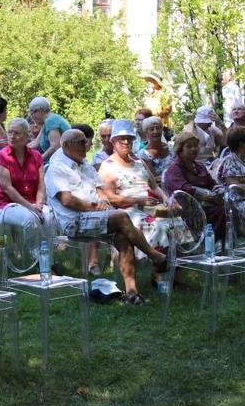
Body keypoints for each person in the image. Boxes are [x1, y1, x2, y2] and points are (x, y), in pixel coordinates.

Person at [45, 129, 169, 306]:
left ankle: (132, 294)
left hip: (97, 216)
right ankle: (155, 255)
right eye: (81, 142)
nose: (86, 146)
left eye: (86, 141)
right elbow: (67, 200)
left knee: (123, 235)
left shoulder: (85, 165)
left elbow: (101, 191)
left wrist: (103, 202)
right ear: (66, 145)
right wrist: (95, 207)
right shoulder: (57, 169)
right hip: (75, 222)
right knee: (121, 216)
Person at [98, 120, 180, 287]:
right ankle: (159, 269)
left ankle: (173, 273)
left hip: (148, 206)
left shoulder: (139, 162)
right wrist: (138, 200)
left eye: (129, 138)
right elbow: (110, 197)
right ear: (113, 141)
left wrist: (166, 199)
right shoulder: (108, 166)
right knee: (157, 226)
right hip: (125, 210)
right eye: (122, 139)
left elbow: (154, 186)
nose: (126, 142)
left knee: (175, 222)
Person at [161, 131, 227, 241]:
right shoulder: (174, 168)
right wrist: (208, 197)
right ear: (180, 149)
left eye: (196, 145)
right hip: (188, 207)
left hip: (206, 204)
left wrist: (218, 191)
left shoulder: (199, 165)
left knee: (228, 207)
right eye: (189, 146)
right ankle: (209, 243)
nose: (193, 149)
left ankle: (223, 244)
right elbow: (184, 189)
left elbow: (212, 183)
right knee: (223, 210)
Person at [0, 118, 52, 234]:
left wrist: (38, 205)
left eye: (16, 133)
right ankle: (32, 252)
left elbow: (41, 185)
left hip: (34, 203)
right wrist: (30, 207)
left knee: (49, 217)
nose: (12, 136)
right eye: (9, 132)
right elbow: (7, 188)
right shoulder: (2, 156)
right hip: (6, 205)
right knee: (30, 219)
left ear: (26, 136)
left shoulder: (36, 156)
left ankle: (47, 251)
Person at [28, 97, 70, 162]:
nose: (32, 117)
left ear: (39, 111)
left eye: (32, 114)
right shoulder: (47, 122)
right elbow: (36, 143)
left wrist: (38, 160)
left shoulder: (51, 121)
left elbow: (55, 146)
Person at [137, 116, 174, 182]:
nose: (155, 131)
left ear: (162, 130)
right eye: (151, 129)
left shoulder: (171, 148)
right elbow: (154, 178)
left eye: (158, 128)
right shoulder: (143, 154)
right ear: (146, 132)